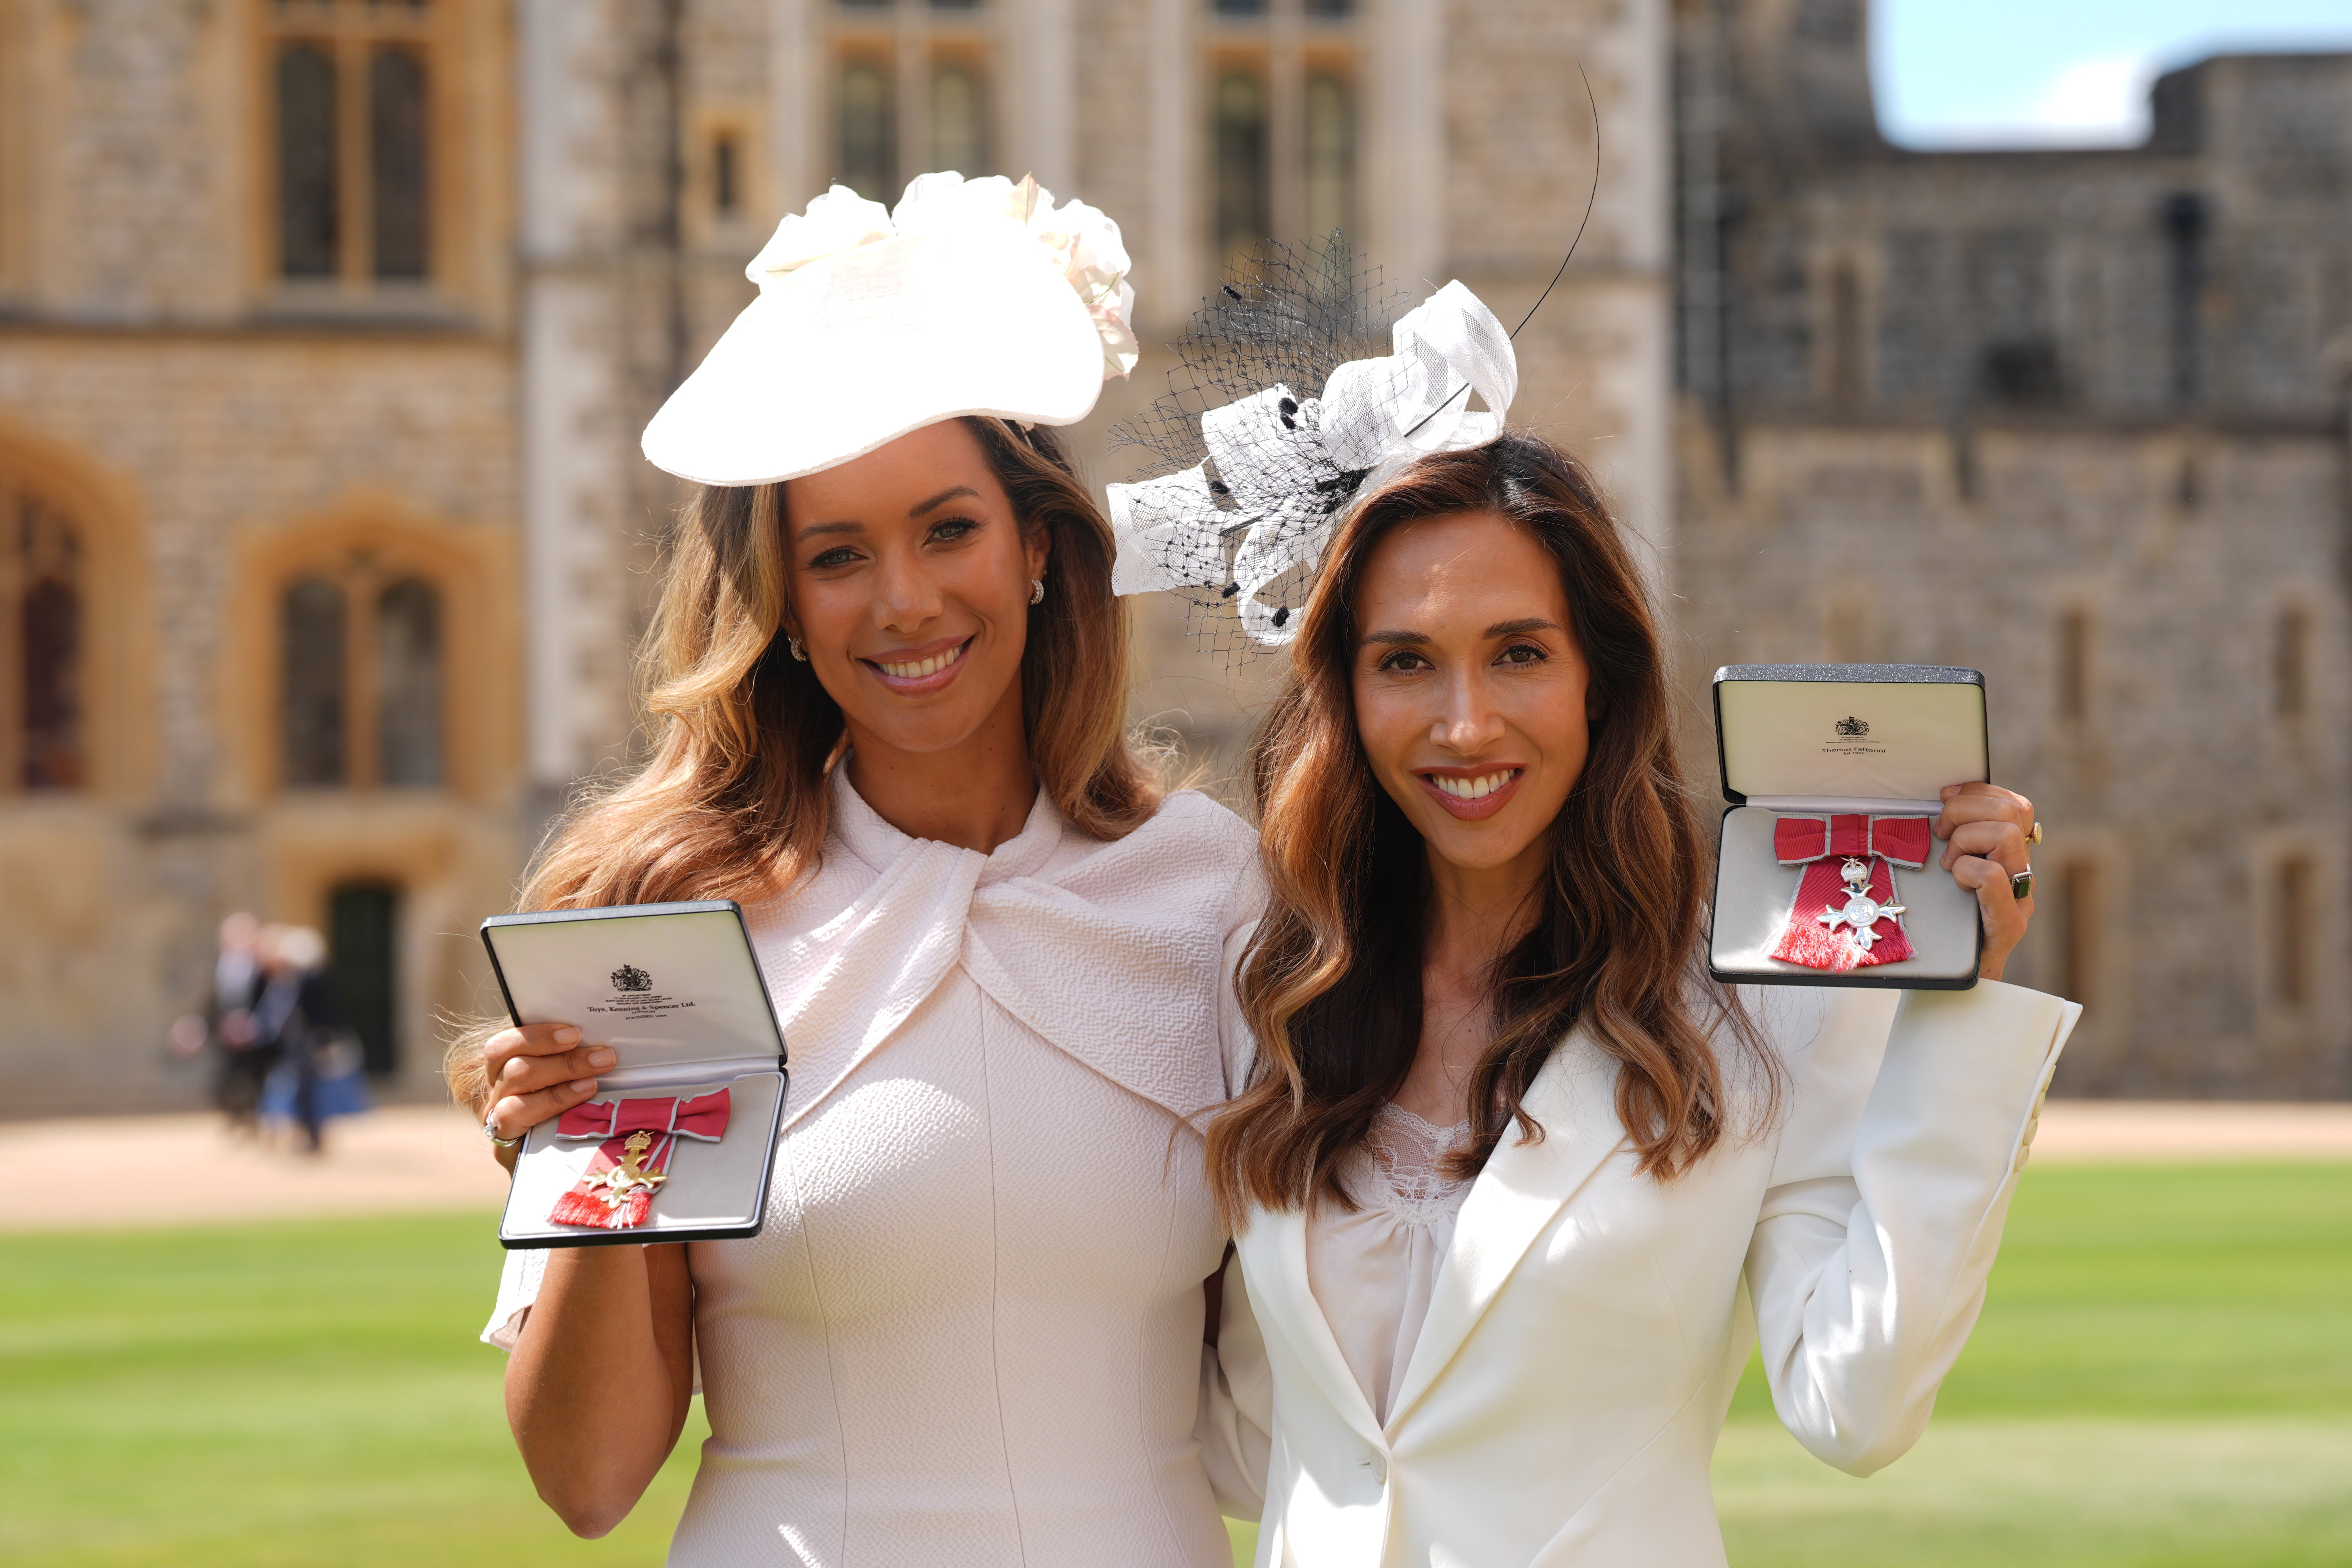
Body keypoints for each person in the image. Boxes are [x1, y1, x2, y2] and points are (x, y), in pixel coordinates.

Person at [451, 173, 1267, 1564]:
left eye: (948, 529)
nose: (903, 599)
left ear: (1034, 552)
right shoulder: (670, 936)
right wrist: (594, 1170)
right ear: (781, 608)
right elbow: (588, 1479)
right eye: (837, 556)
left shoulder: (1219, 894)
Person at [1193, 431, 2079, 1566]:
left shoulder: (1762, 1001)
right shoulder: (1272, 990)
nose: (1465, 725)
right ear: (1346, 692)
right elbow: (1250, 1439)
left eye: (1518, 654)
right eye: (1406, 661)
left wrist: (1959, 1002)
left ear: (1600, 681)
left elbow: (1857, 1405)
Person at [250, 924, 349, 1154]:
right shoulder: (289, 980)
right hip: (294, 1046)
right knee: (296, 1091)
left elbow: (320, 1015)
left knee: (309, 1092)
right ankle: (301, 1134)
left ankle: (311, 1135)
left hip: (306, 1045)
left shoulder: (310, 981)